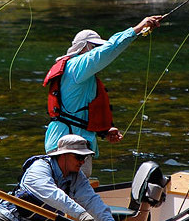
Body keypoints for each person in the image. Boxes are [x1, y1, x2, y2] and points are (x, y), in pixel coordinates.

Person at [43, 15, 161, 172]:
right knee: (72, 192)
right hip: (68, 146)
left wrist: (104, 131)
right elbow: (110, 49)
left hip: (69, 142)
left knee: (73, 192)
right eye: (95, 47)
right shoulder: (78, 65)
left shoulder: (77, 71)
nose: (97, 51)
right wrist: (138, 28)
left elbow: (76, 111)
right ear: (84, 47)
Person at [0, 134, 124, 221]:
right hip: (9, 216)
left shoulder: (77, 177)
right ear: (63, 155)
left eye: (85, 157)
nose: (83, 161)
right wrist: (82, 215)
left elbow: (93, 202)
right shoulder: (39, 168)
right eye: (79, 156)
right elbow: (54, 195)